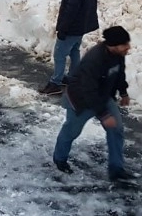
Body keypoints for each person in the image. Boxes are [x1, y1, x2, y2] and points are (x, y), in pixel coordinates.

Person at [52, 26, 135, 183]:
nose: (128, 47)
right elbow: (88, 90)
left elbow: (119, 74)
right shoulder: (94, 59)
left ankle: (116, 170)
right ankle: (60, 159)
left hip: (103, 96)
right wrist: (103, 115)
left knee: (116, 129)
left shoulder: (118, 55)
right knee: (71, 131)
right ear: (114, 45)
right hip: (80, 100)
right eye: (125, 44)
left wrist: (123, 92)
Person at [40, 0, 100, 96]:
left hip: (72, 27)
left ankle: (55, 83)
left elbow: (71, 11)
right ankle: (73, 77)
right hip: (81, 27)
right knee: (74, 51)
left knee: (59, 54)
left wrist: (63, 29)